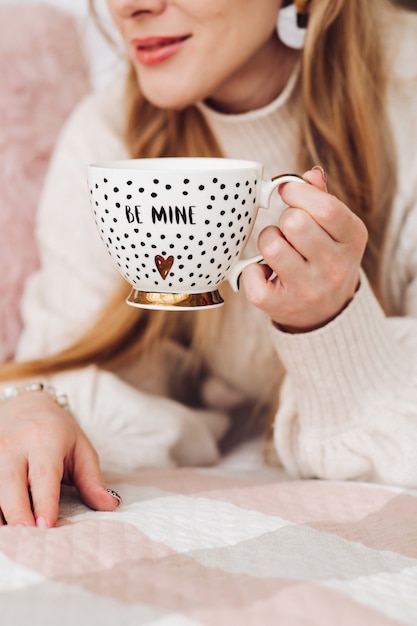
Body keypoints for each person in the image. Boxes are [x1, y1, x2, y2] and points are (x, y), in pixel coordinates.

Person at [1, 0, 417, 529]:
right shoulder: (108, 139)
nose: (129, 6)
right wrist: (39, 408)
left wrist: (330, 326)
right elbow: (68, 363)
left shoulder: (406, 101)